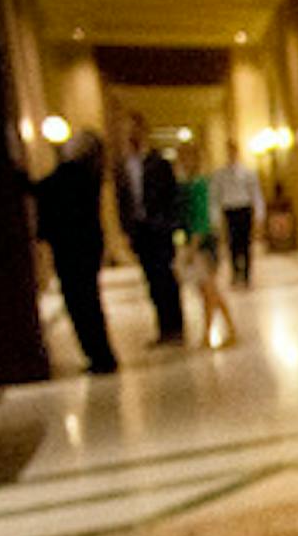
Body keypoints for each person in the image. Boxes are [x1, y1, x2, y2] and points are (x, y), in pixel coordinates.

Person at [30, 129, 116, 375]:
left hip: (74, 247)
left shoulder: (74, 172)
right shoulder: (90, 171)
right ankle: (100, 354)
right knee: (87, 300)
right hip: (85, 244)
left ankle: (99, 355)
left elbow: (44, 188)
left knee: (81, 301)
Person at [113, 113, 186, 346]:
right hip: (140, 231)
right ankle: (163, 328)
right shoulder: (123, 166)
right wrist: (126, 230)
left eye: (133, 129)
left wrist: (171, 225)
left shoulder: (159, 163)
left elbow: (173, 197)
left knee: (166, 278)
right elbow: (122, 201)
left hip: (160, 230)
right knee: (152, 281)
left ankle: (176, 327)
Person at [174, 146, 238, 350]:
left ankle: (221, 331)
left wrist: (193, 247)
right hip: (194, 241)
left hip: (202, 243)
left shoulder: (199, 186)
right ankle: (213, 332)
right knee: (206, 291)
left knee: (210, 290)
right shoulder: (187, 185)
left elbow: (201, 219)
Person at [210, 140, 264, 286]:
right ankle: (235, 273)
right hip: (230, 210)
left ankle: (247, 275)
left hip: (244, 209)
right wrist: (215, 218)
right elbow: (215, 197)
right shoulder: (220, 174)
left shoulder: (248, 173)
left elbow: (256, 194)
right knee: (232, 244)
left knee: (246, 243)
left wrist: (259, 214)